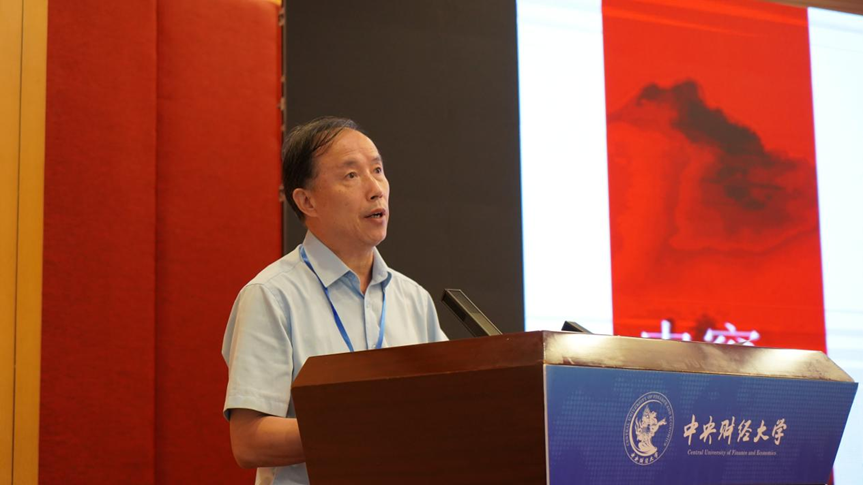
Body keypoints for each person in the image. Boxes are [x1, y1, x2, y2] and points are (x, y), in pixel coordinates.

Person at [221, 117, 448, 485]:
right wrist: (366, 428)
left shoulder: (413, 299)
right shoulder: (272, 296)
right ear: (306, 201)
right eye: (351, 175)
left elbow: (449, 408)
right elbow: (249, 442)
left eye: (378, 170)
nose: (376, 189)